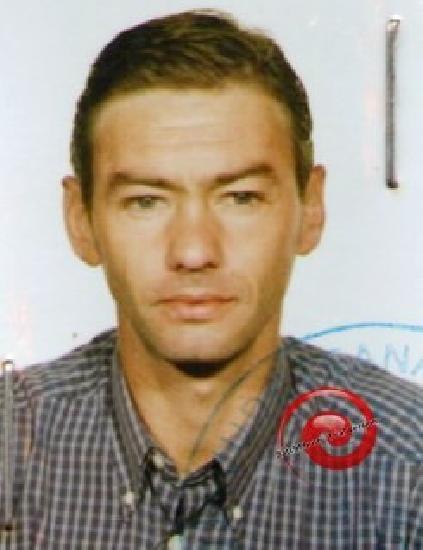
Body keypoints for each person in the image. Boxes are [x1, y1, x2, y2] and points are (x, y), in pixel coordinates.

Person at [1, 9, 422, 548]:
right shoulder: (11, 448)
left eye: (240, 197)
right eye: (146, 201)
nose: (194, 251)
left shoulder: (409, 468)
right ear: (80, 220)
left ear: (310, 209)